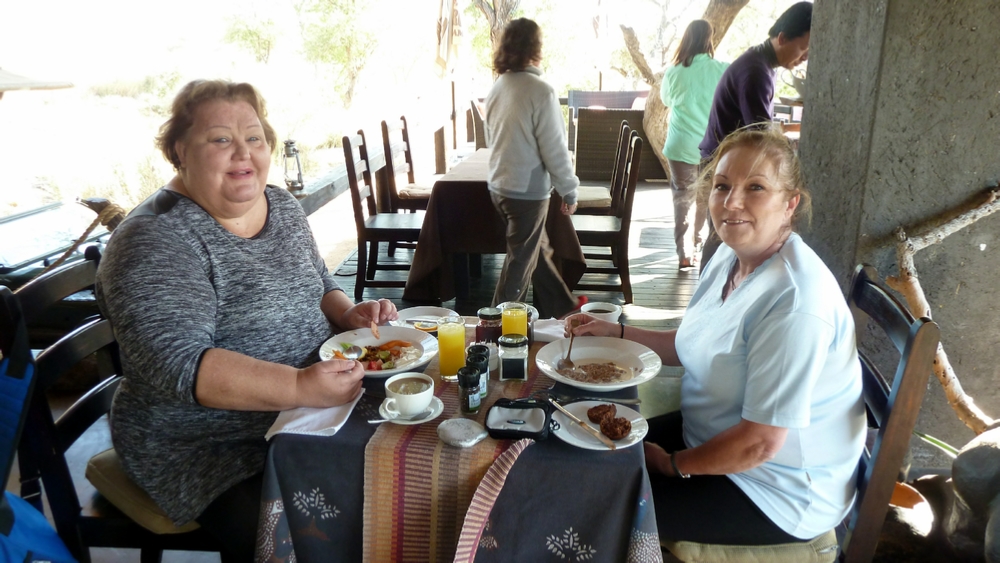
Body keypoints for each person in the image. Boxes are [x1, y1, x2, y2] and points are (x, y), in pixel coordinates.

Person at [95, 79, 397, 559]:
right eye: (220, 139)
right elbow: (180, 364)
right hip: (208, 444)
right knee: (332, 529)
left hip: (308, 414)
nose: (243, 153)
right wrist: (299, 386)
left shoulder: (279, 204)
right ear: (179, 150)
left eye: (254, 138)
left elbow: (318, 280)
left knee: (404, 478)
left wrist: (347, 313)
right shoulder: (156, 240)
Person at [569, 127, 866, 545]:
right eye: (722, 186)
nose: (732, 203)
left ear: (790, 204)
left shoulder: (795, 303)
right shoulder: (732, 253)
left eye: (756, 188)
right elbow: (690, 343)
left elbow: (760, 444)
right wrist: (615, 332)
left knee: (593, 510)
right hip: (710, 439)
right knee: (580, 450)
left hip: (774, 491)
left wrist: (673, 465)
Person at [698, 1, 812, 268]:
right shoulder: (756, 72)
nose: (805, 56)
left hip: (724, 163)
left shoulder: (758, 63)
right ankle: (708, 298)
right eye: (804, 48)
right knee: (722, 236)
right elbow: (760, 136)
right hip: (725, 167)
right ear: (782, 38)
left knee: (723, 234)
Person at [485, 17, 584, 319]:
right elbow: (554, 149)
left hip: (498, 187)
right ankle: (494, 324)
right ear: (536, 48)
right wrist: (569, 190)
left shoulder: (498, 87)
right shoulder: (541, 90)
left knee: (534, 253)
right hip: (526, 193)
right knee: (520, 264)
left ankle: (564, 308)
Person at [660, 19, 729, 269]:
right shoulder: (722, 69)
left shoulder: (674, 71)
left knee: (682, 198)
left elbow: (666, 100)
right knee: (707, 198)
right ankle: (701, 247)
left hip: (680, 146)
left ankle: (684, 254)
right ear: (709, 39)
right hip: (712, 146)